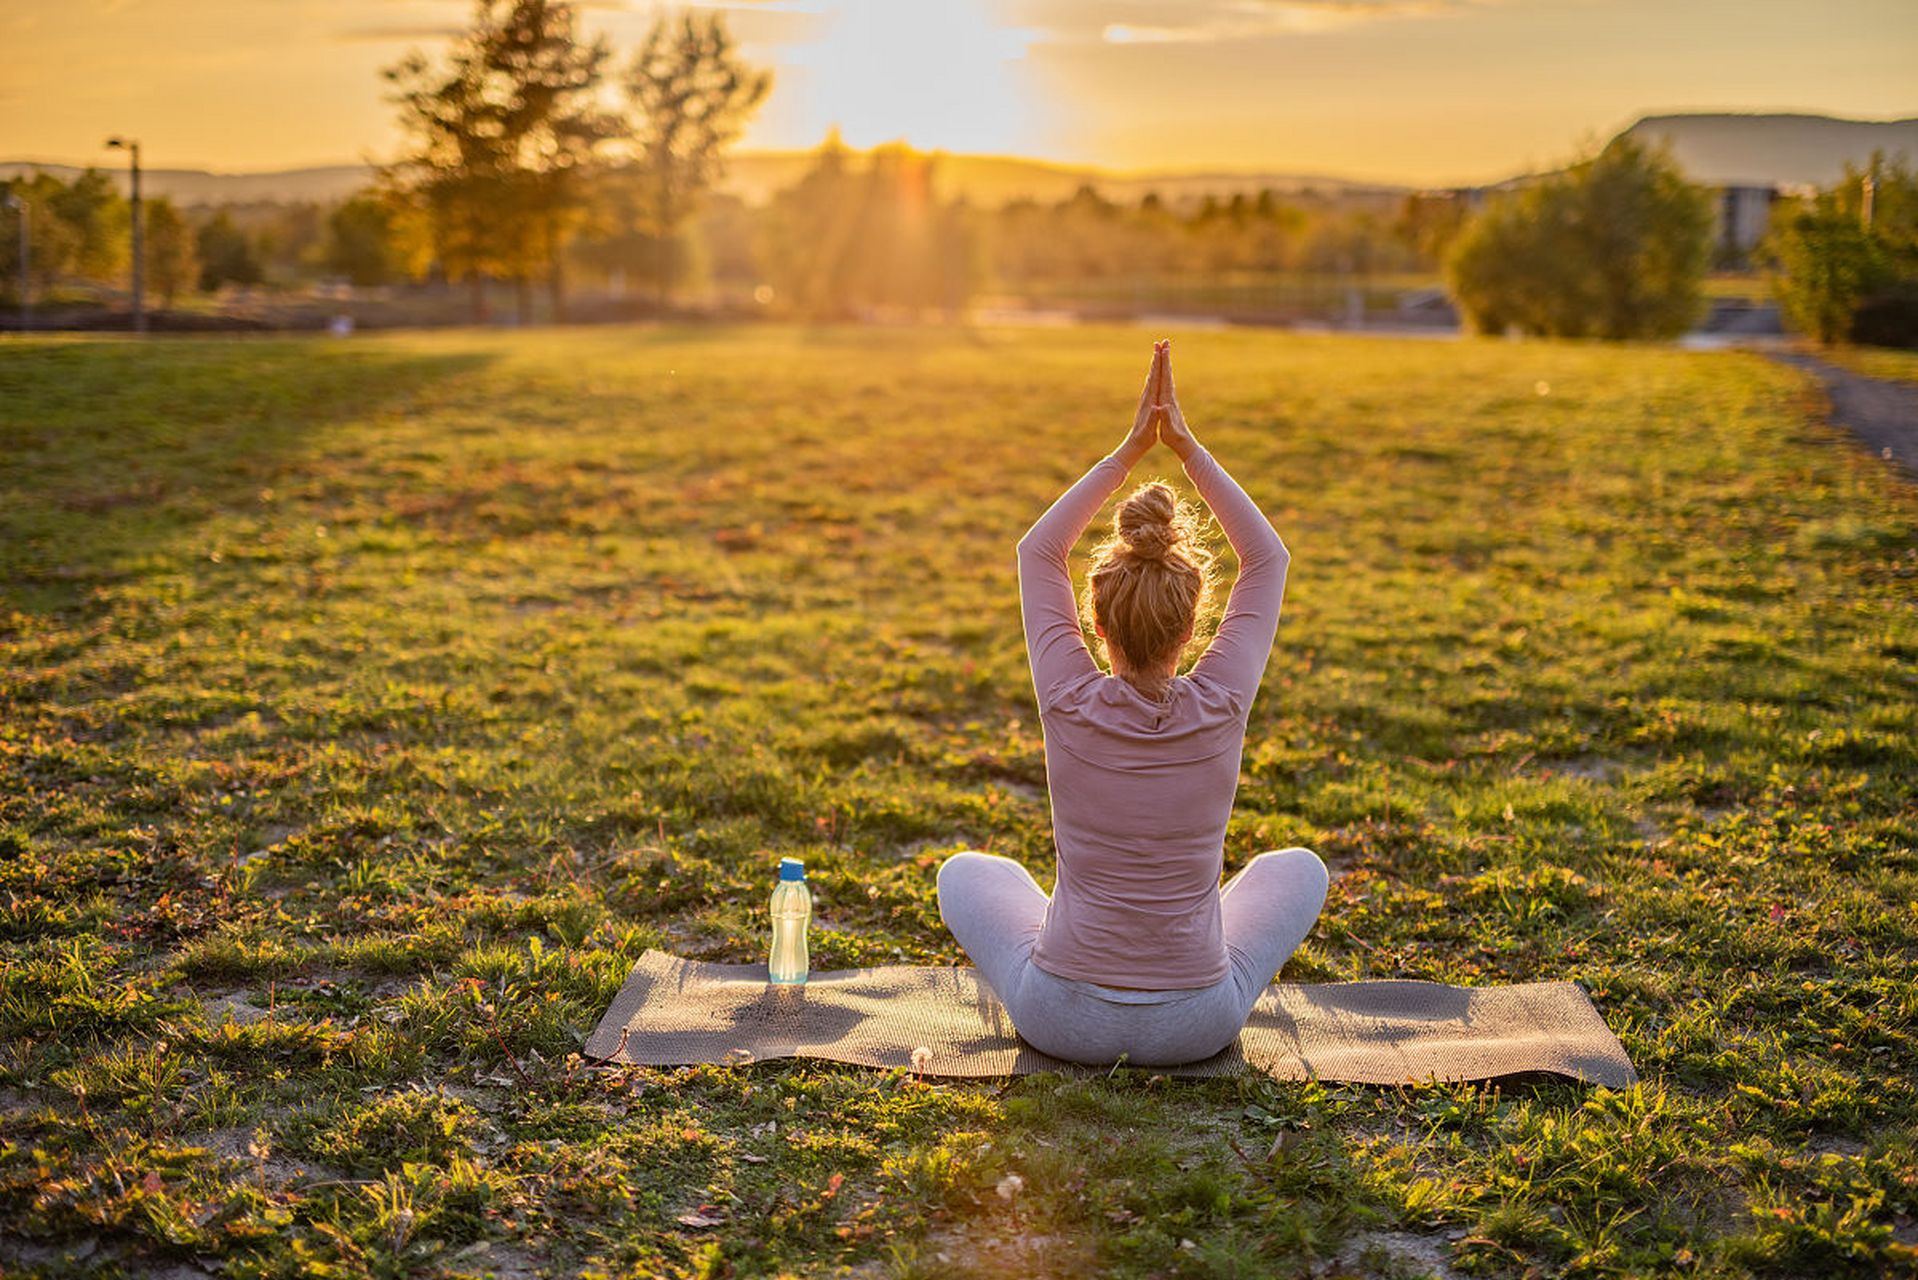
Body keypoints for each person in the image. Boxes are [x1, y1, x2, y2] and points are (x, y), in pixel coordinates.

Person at [936, 339, 1329, 1067]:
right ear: (1191, 627)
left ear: (1097, 622)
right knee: (1300, 865)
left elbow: (1037, 551)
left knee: (966, 872)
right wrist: (1184, 446)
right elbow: (1268, 559)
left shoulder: (1067, 697)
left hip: (1058, 1016)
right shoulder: (1224, 699)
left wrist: (1127, 451)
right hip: (1197, 1025)